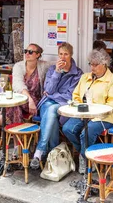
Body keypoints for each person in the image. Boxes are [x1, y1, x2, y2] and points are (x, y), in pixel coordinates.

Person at [62, 49, 113, 174]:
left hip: (106, 116)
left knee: (86, 133)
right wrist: (78, 105)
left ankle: (86, 159)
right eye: (90, 64)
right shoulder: (85, 77)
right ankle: (86, 154)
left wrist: (96, 113)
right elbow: (76, 94)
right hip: (84, 113)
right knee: (67, 128)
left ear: (104, 64)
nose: (92, 67)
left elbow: (112, 103)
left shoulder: (112, 80)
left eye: (95, 64)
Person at [0, 43, 50, 141]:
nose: (27, 54)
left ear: (38, 55)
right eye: (25, 51)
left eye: (30, 52)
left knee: (13, 104)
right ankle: (18, 143)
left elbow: (59, 66)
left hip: (36, 101)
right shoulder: (18, 66)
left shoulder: (44, 66)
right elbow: (18, 84)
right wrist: (29, 99)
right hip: (23, 99)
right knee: (15, 106)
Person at [29, 42, 82, 170]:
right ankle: (52, 153)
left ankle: (40, 151)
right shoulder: (53, 69)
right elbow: (48, 89)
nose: (63, 57)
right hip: (47, 104)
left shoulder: (78, 73)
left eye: (66, 54)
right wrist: (57, 73)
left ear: (71, 55)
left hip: (63, 105)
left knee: (52, 109)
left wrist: (51, 95)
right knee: (50, 111)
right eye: (60, 54)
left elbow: (69, 96)